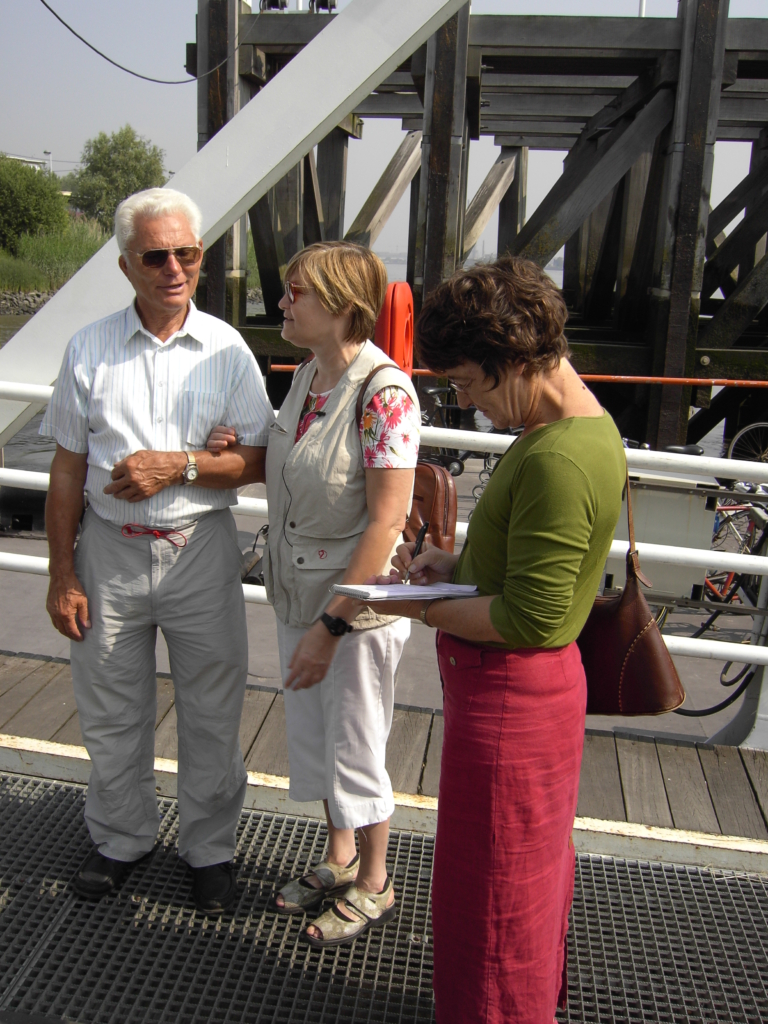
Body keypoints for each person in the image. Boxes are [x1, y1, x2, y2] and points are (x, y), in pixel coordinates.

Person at [363, 256, 625, 1023]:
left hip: (512, 707)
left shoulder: (557, 458)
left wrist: (420, 608)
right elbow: (533, 578)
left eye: (470, 383)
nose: (469, 403)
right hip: (530, 704)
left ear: (512, 359)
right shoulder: (578, 430)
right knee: (520, 885)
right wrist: (459, 568)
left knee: (492, 901)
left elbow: (530, 620)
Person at [41, 188, 273, 916]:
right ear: (125, 265)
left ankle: (210, 850)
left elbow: (260, 460)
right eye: (155, 256)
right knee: (109, 708)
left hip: (200, 548)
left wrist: (182, 466)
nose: (175, 268)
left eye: (187, 252)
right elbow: (67, 470)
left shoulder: (228, 349)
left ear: (200, 256)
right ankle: (121, 838)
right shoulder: (88, 348)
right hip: (108, 551)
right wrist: (61, 573)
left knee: (213, 709)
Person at [207, 241, 420, 947]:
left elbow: (386, 521)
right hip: (299, 589)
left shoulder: (383, 394)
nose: (283, 302)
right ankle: (340, 856)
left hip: (353, 611)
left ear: (340, 304)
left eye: (296, 292)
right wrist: (233, 445)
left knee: (356, 742)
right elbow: (291, 464)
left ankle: (375, 881)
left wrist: (333, 625)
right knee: (316, 739)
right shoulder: (306, 378)